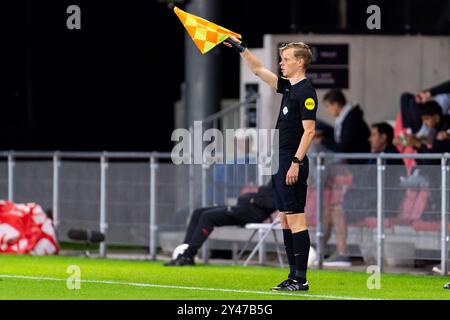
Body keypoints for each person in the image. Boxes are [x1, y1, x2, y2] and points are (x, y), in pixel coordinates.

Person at [224, 36, 317, 291]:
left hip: (291, 160)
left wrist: (296, 162)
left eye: (286, 59)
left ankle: (301, 278)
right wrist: (241, 48)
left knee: (297, 219)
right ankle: (292, 275)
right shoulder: (289, 88)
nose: (281, 63)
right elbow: (258, 69)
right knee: (285, 219)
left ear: (300, 62)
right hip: (281, 159)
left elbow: (309, 132)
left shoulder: (306, 91)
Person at [322, 122, 404, 267]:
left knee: (337, 210)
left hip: (383, 205)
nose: (369, 139)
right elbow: (364, 179)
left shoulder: (390, 156)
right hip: (371, 201)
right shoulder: (375, 155)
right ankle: (319, 250)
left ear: (384, 137)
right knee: (330, 209)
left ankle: (342, 254)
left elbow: (371, 181)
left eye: (373, 135)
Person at [165, 183, 276, 266]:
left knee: (207, 217)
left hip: (250, 213)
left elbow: (274, 203)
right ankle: (184, 252)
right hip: (243, 207)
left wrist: (254, 199)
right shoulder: (277, 175)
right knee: (198, 212)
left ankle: (189, 254)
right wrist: (251, 197)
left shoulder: (286, 180)